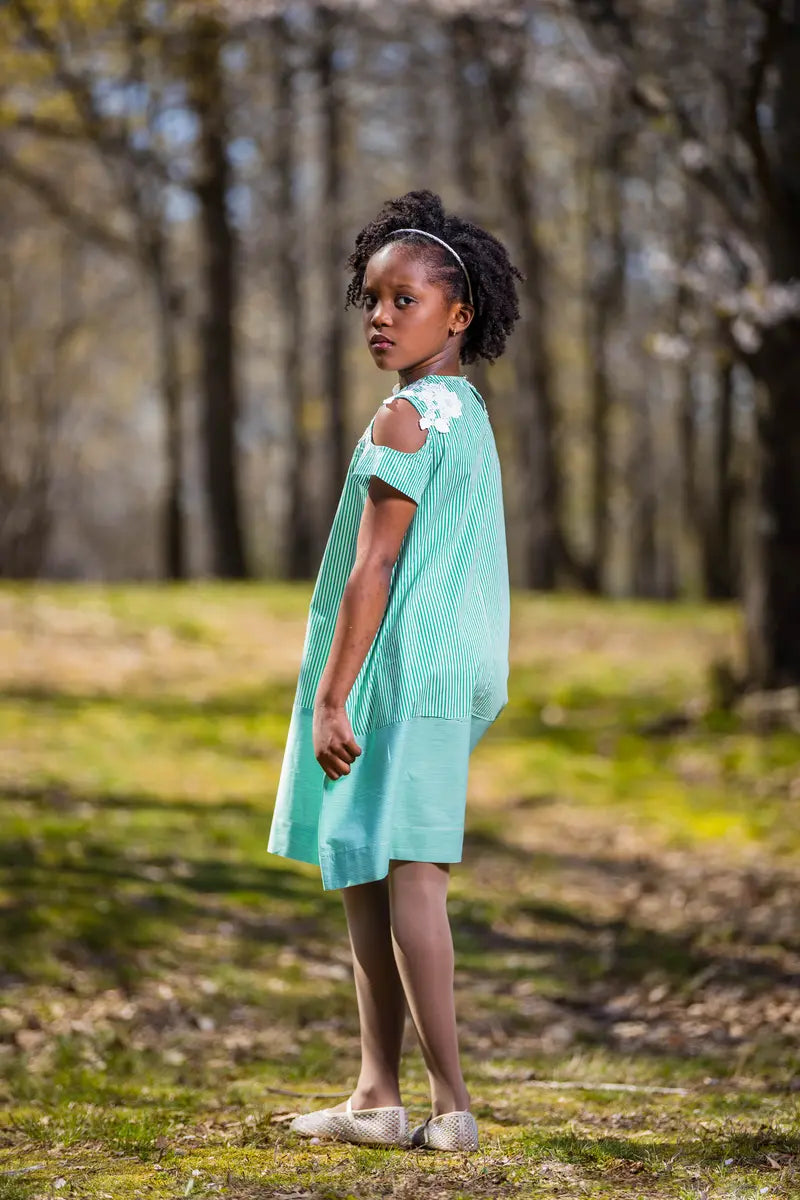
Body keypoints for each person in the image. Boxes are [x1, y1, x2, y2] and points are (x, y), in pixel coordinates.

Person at [267, 189, 522, 1153]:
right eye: (372, 299)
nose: (380, 317)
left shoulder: (408, 420)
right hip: (443, 675)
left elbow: (373, 568)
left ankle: (452, 1104)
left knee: (409, 883)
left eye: (403, 300)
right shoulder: (464, 411)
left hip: (400, 680)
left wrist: (332, 694)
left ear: (459, 315)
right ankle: (378, 1092)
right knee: (369, 877)